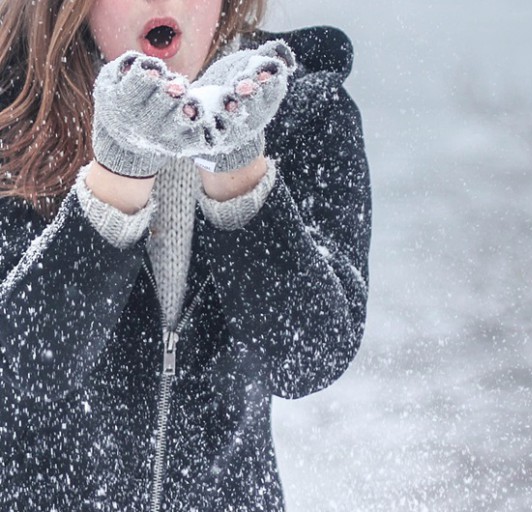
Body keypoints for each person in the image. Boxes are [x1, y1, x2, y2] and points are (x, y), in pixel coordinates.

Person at [0, 0, 371, 510]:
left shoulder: (303, 111)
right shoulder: (9, 117)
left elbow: (308, 356)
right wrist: (118, 178)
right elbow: (20, 370)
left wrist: (240, 175)